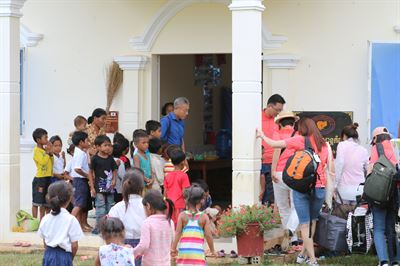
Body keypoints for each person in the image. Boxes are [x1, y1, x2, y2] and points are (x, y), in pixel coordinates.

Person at [257, 117, 330, 266]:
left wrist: (262, 135)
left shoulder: (300, 140)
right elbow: (327, 165)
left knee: (304, 224)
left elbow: (274, 144)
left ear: (302, 128)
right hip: (320, 186)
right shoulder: (324, 143)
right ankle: (303, 254)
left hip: (302, 186)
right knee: (313, 220)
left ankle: (312, 260)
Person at [368, 127, 400, 266]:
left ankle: (384, 261)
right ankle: (395, 260)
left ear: (375, 138)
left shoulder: (376, 148)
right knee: (391, 228)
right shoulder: (395, 147)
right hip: (394, 192)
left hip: (379, 193)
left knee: (379, 228)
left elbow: (370, 170)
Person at [270, 111, 299, 243]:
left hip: (279, 173)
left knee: (283, 207)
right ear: (293, 123)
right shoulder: (298, 135)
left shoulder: (278, 134)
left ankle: (290, 235)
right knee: (296, 205)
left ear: (280, 123)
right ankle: (292, 233)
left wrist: (273, 171)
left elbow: (276, 152)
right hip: (294, 174)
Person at [38, 181, 84, 266]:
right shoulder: (71, 220)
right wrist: (69, 259)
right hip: (64, 256)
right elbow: (74, 246)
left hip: (48, 255)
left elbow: (45, 242)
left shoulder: (45, 219)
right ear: (69, 198)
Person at [109, 168, 146, 266]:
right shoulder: (147, 206)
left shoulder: (116, 208)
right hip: (144, 245)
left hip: (122, 246)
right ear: (142, 187)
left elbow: (110, 228)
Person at [172, 185, 216, 265]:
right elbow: (208, 235)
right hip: (197, 255)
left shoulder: (182, 215)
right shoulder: (204, 217)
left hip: (184, 254)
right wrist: (212, 250)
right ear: (201, 201)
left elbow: (177, 233)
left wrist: (173, 248)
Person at [133, 189, 175, 266]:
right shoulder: (170, 222)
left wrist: (132, 253)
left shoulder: (147, 223)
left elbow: (144, 245)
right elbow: (172, 242)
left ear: (148, 206)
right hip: (166, 263)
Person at [334, 123, 368, 215]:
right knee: (356, 218)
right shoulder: (363, 150)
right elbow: (367, 170)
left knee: (342, 217)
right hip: (359, 189)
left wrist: (335, 185)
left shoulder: (341, 145)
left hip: (344, 188)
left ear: (344, 136)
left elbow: (339, 166)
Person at [88, 135, 118, 234]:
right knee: (100, 207)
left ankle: (109, 227)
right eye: (105, 145)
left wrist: (114, 180)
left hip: (110, 187)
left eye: (109, 145)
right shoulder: (95, 159)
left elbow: (114, 169)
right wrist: (92, 187)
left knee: (110, 206)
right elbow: (90, 172)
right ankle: (99, 227)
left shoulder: (110, 158)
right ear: (97, 147)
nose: (108, 147)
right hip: (99, 188)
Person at [261, 94, 286, 206]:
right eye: (277, 110)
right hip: (262, 162)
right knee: (263, 194)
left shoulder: (277, 122)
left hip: (275, 163)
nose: (278, 113)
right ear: (270, 106)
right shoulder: (257, 118)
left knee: (274, 196)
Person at [70, 131, 91, 231]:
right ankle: (68, 223)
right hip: (80, 180)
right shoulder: (80, 153)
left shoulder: (80, 152)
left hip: (79, 180)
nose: (89, 142)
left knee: (81, 204)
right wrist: (87, 175)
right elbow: (77, 169)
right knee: (79, 204)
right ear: (81, 142)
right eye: (87, 140)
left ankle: (80, 225)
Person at [164, 149, 191, 226]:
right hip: (180, 204)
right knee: (180, 226)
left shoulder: (167, 176)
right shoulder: (184, 175)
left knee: (171, 225)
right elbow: (185, 192)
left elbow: (165, 193)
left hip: (169, 204)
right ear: (183, 162)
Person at [32, 128, 53, 220]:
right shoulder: (37, 151)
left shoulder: (45, 151)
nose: (47, 140)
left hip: (47, 178)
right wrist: (48, 152)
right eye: (45, 137)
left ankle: (43, 221)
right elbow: (43, 162)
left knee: (45, 202)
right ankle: (34, 221)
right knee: (37, 201)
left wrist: (50, 154)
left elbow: (51, 163)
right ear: (38, 140)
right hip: (40, 179)